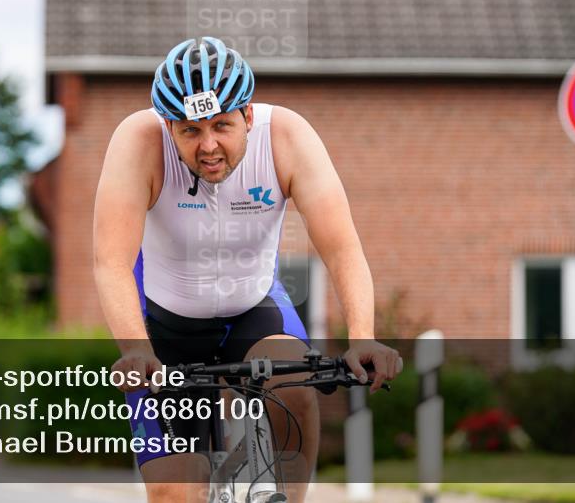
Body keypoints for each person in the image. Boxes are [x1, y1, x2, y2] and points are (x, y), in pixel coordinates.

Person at [93, 37, 400, 503]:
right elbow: (111, 261)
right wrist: (136, 350)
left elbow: (341, 248)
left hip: (253, 308)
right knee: (177, 491)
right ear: (167, 127)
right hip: (164, 327)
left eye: (222, 126)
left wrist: (363, 336)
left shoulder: (287, 137)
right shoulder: (138, 141)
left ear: (249, 116)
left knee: (296, 383)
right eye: (190, 131)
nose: (209, 146)